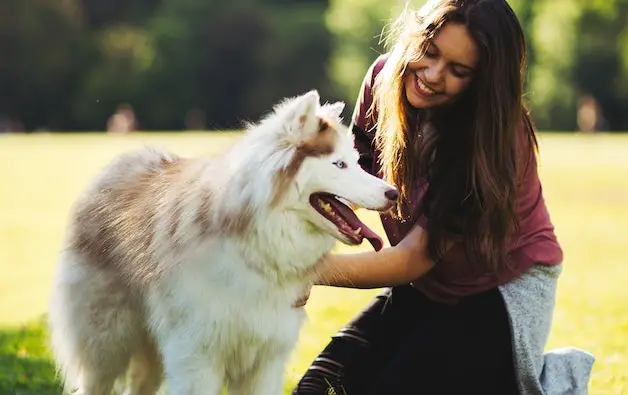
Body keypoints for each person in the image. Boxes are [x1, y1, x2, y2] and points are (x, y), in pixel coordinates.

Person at [292, 1, 595, 394]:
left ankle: (541, 380)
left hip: (500, 291)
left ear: (483, 81)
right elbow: (355, 183)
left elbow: (411, 259)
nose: (432, 76)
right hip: (430, 286)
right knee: (320, 388)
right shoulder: (385, 80)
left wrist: (303, 270)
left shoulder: (491, 140)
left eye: (459, 71)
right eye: (430, 52)